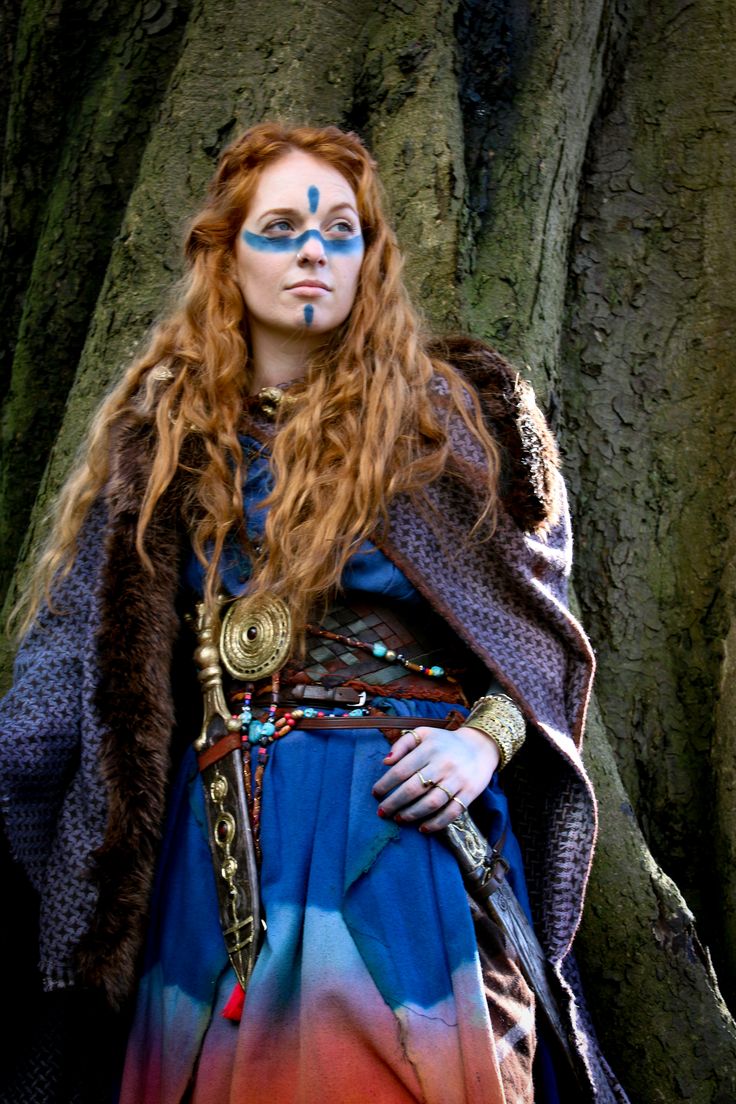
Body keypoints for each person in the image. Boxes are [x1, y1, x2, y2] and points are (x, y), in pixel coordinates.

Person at [0, 122, 628, 1104]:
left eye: (341, 230)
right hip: (218, 846)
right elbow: (66, 685)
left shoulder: (450, 419)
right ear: (225, 253)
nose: (312, 251)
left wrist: (481, 745)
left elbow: (534, 650)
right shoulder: (163, 443)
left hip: (404, 826)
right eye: (281, 226)